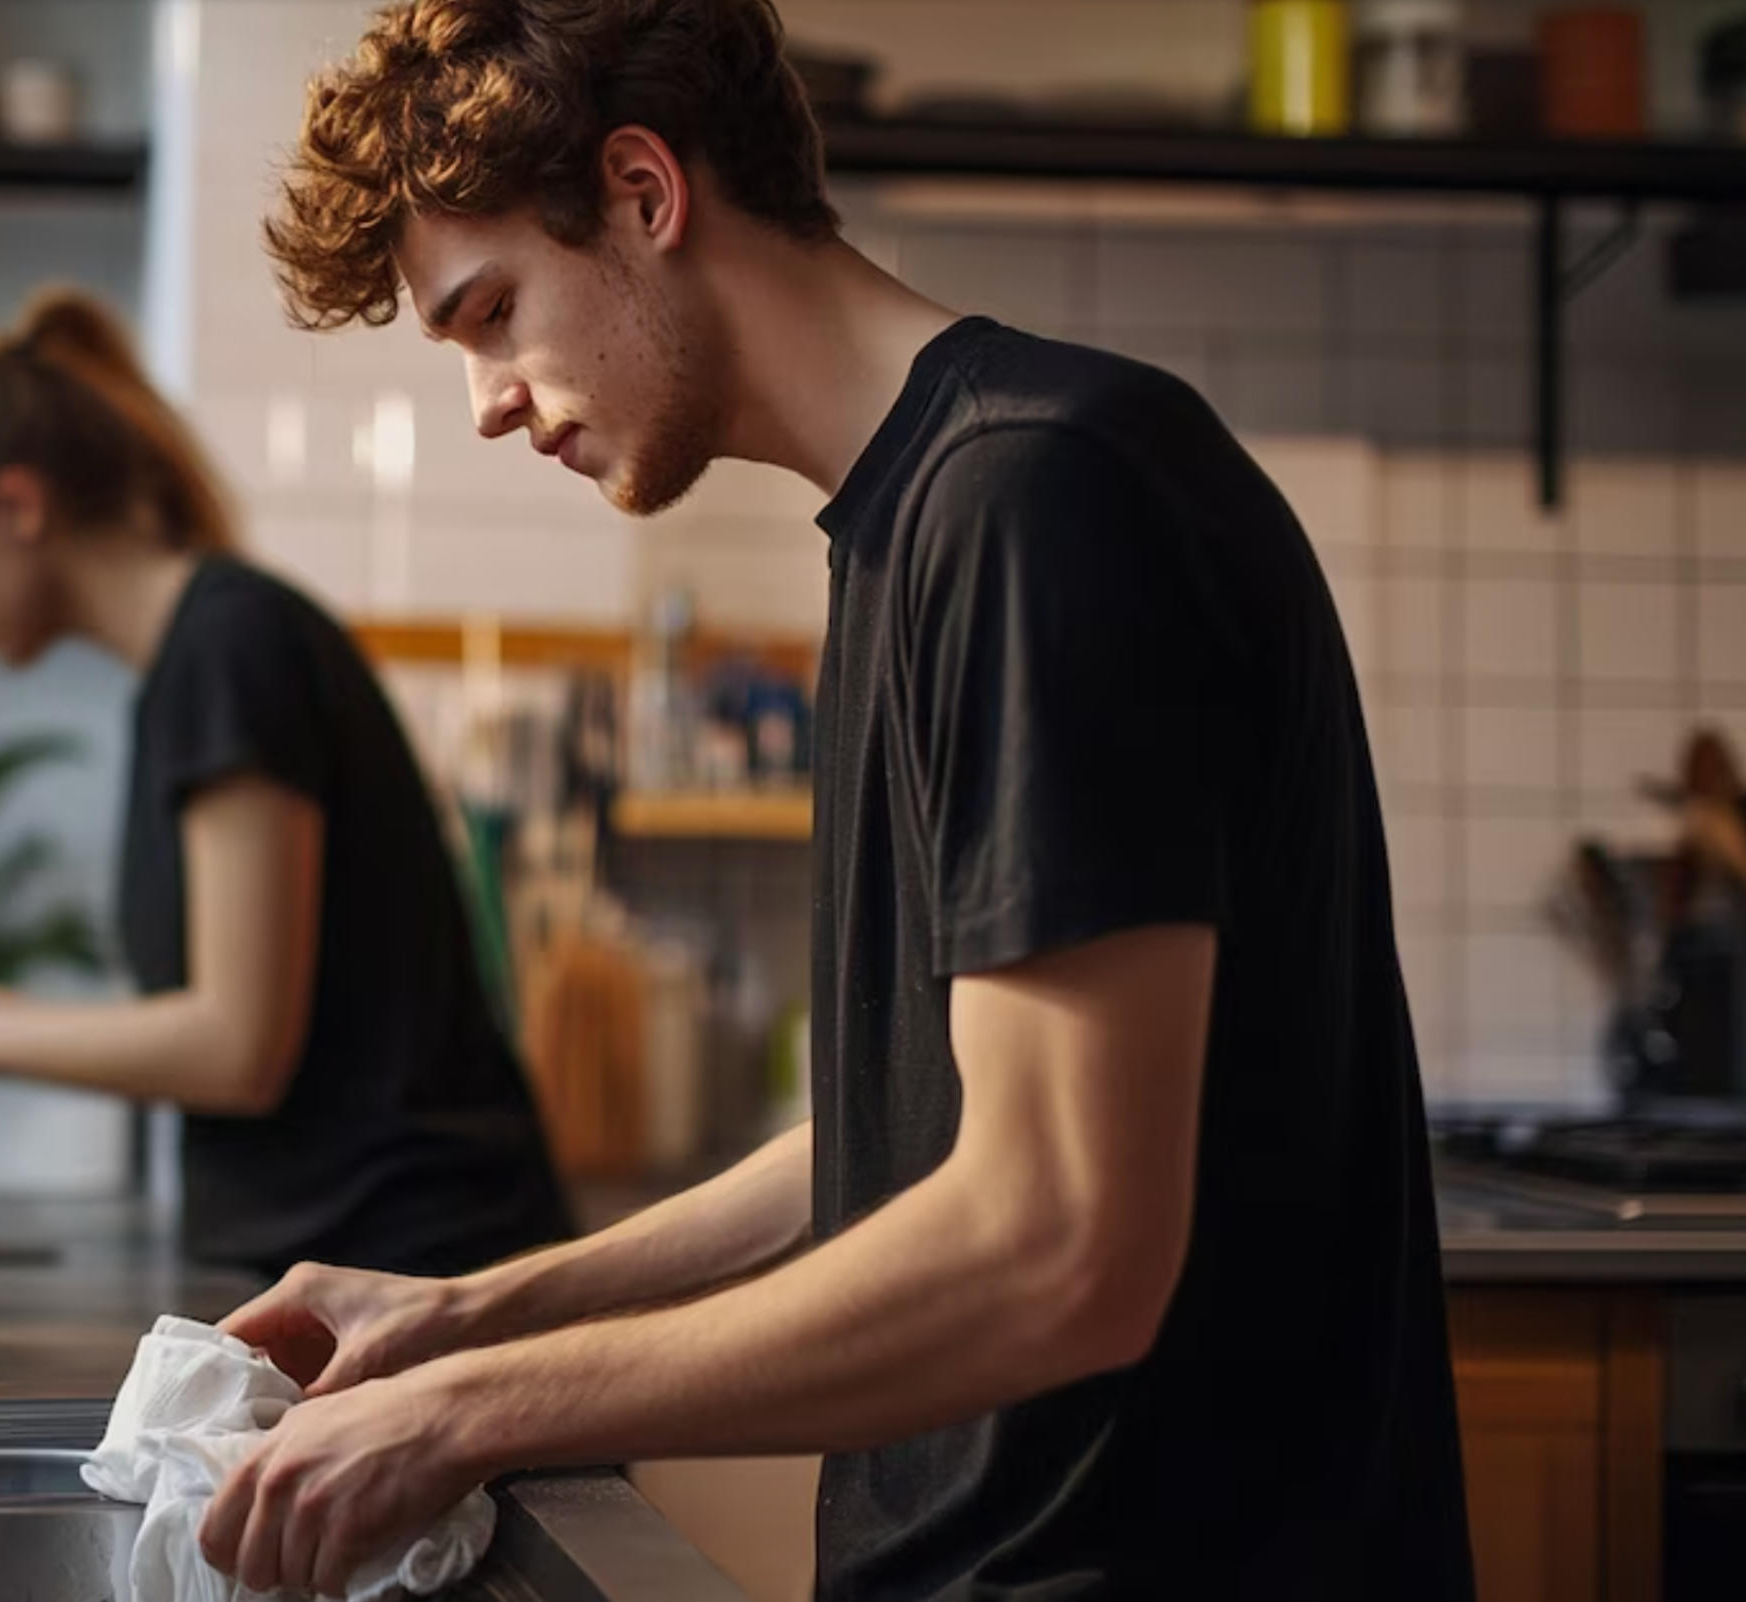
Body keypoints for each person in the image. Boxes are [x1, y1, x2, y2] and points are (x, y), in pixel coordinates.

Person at [195, 3, 1477, 1599]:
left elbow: (1055, 1240)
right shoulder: (918, 523)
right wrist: (476, 1312)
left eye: (494, 309)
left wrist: (475, 1410)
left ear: (648, 192)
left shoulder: (1043, 501)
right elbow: (904, 1130)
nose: (489, 403)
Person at [0, 286, 575, 1283]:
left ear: (16, 505)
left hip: (420, 1285)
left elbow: (236, 1050)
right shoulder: (196, 661)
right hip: (353, 1281)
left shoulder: (229, 650)